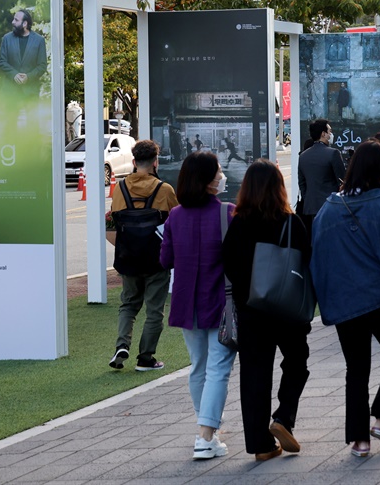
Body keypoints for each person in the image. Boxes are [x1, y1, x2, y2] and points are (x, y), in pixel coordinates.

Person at [309, 141, 380, 458]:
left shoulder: (328, 209)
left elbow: (316, 256)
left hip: (344, 304)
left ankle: (360, 441)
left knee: (356, 370)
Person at [221, 160, 312, 461]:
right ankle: (283, 418)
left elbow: (229, 265)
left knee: (254, 375)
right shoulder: (291, 222)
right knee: (297, 362)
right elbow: (305, 263)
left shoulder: (239, 223)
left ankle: (260, 445)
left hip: (252, 310)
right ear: (279, 187)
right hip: (287, 309)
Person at [159, 151, 237, 460]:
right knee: (218, 369)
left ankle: (207, 429)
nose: (222, 175)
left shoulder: (175, 216)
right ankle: (205, 435)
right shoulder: (227, 213)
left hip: (185, 303)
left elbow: (165, 260)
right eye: (218, 171)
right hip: (220, 303)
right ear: (207, 180)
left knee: (199, 368)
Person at [108, 140, 178, 372]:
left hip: (128, 258)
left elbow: (113, 223)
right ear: (155, 161)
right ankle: (146, 358)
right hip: (156, 260)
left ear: (134, 161)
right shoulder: (165, 190)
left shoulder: (121, 189)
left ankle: (121, 345)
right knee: (154, 310)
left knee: (128, 304)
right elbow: (175, 223)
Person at [297, 119, 346, 230]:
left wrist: (309, 199)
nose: (331, 135)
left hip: (311, 208)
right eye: (329, 131)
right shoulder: (333, 153)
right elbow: (343, 180)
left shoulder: (303, 156)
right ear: (323, 134)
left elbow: (302, 183)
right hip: (332, 206)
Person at [0, 9, 46, 104]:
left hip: (31, 91)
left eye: (16, 20)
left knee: (32, 119)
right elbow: (2, 62)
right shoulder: (6, 39)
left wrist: (28, 76)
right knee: (10, 119)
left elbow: (42, 66)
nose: (12, 22)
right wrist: (14, 74)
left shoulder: (39, 40)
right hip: (10, 91)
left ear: (24, 24)